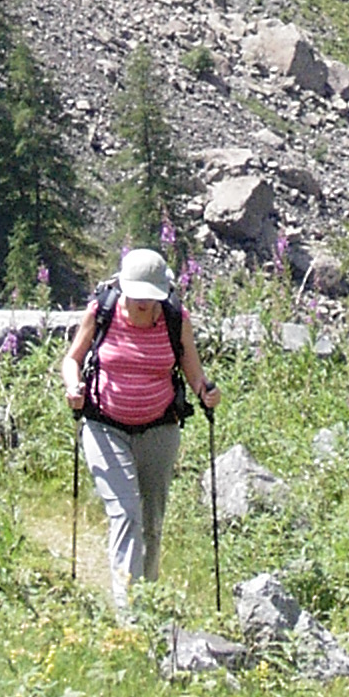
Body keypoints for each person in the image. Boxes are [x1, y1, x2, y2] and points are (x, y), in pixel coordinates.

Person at [62, 246, 220, 607]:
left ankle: (147, 600)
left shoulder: (175, 316)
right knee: (127, 515)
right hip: (105, 426)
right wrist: (73, 388)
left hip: (160, 429)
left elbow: (192, 370)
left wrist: (206, 391)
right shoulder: (101, 311)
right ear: (124, 287)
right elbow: (72, 359)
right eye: (137, 296)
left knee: (151, 521)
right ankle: (128, 612)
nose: (144, 303)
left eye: (151, 296)